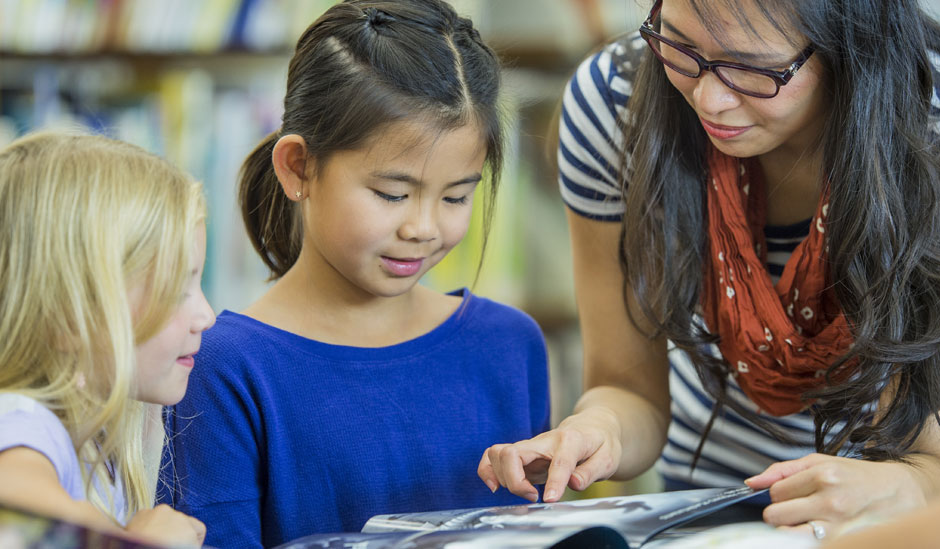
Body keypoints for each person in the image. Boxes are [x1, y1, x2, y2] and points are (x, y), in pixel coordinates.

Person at [479, 0, 940, 541]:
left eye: (753, 69)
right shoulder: (614, 103)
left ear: (852, 43)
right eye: (681, 47)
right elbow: (628, 389)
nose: (709, 99)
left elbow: (923, 464)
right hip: (721, 491)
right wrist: (594, 430)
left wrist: (907, 486)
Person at [157, 1, 550, 547]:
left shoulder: (509, 344)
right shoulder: (224, 365)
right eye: (392, 194)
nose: (423, 227)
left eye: (457, 195)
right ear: (299, 167)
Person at [0, 131, 215, 547]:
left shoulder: (84, 432)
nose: (206, 315)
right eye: (175, 290)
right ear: (69, 320)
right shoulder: (23, 423)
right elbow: (16, 529)